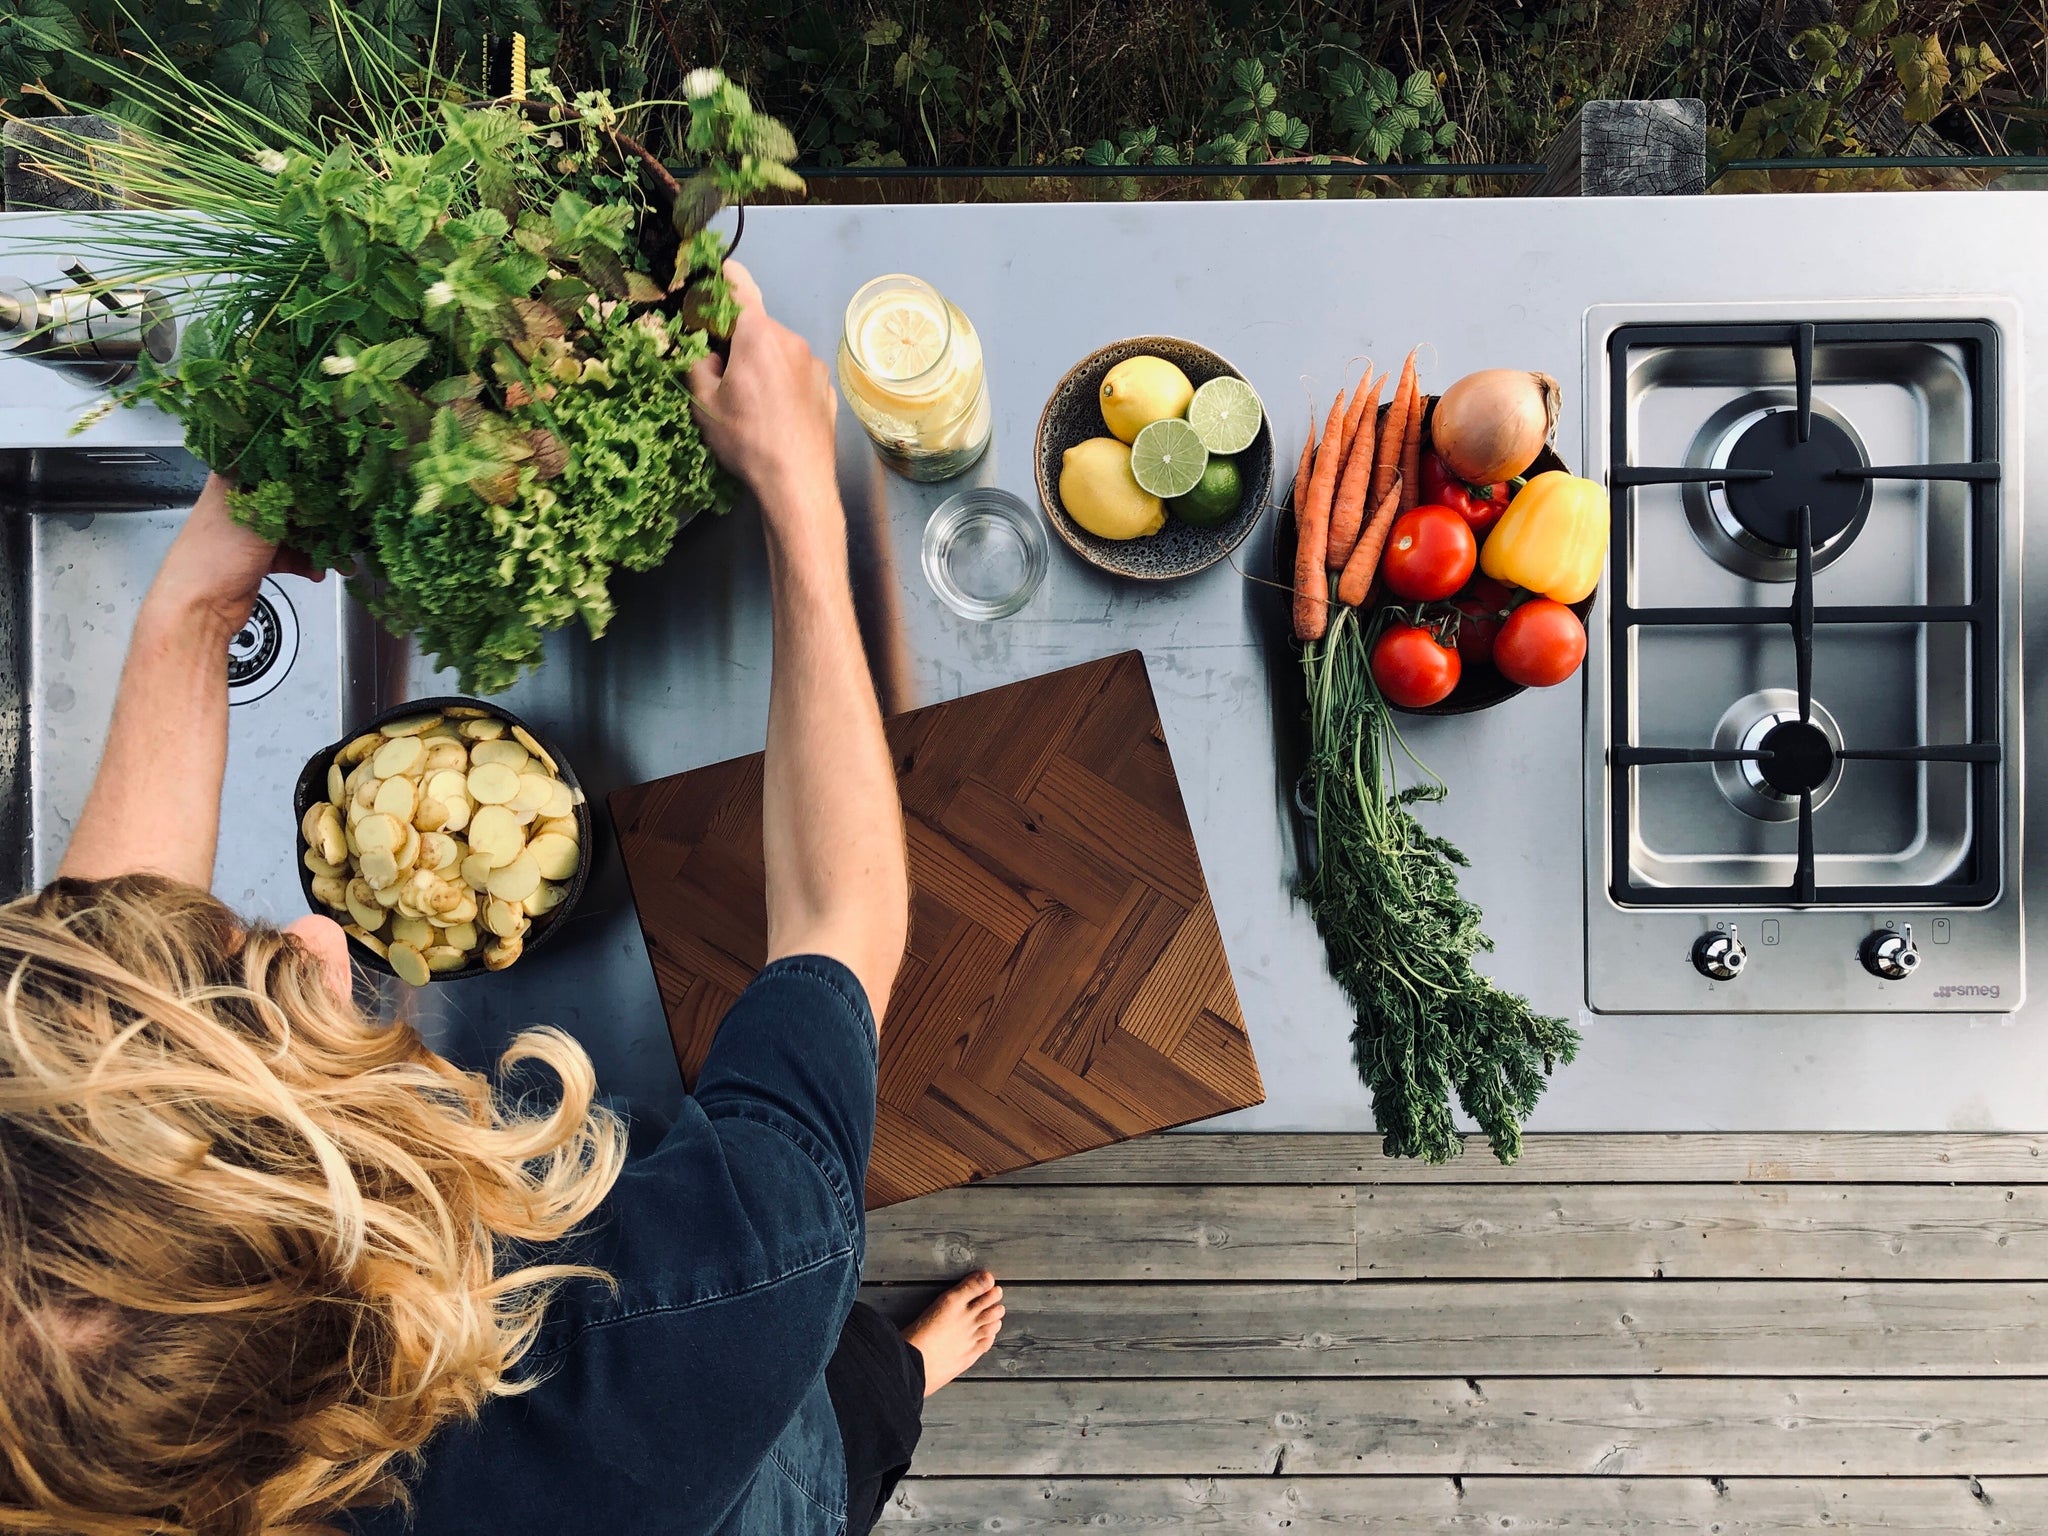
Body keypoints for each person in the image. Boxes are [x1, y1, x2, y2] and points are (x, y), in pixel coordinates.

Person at [0, 261, 1002, 1536]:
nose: (314, 937)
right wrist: (802, 496)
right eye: (275, 1020)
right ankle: (901, 1381)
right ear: (344, 1256)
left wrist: (201, 608)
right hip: (744, 1464)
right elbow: (837, 926)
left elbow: (98, 1030)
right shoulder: (677, 1320)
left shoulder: (102, 1429)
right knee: (839, 1419)